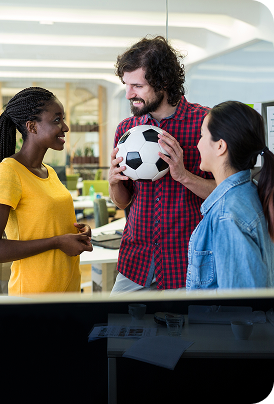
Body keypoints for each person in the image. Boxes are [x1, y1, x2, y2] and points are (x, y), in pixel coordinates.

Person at [109, 35, 216, 293]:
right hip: (136, 260)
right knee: (114, 330)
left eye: (137, 86)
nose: (128, 94)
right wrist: (114, 182)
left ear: (163, 82)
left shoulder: (205, 122)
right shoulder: (126, 130)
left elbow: (225, 193)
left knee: (187, 333)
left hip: (187, 262)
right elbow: (122, 202)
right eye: (126, 84)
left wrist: (183, 175)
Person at [0, 87, 92, 296]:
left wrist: (77, 235)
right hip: (33, 298)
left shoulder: (49, 172)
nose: (65, 127)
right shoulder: (8, 172)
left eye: (63, 119)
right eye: (56, 120)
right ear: (32, 127)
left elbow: (45, 226)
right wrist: (57, 242)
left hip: (68, 292)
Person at [186, 101, 274, 289]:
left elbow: (240, 308)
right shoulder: (254, 193)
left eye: (202, 136)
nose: (198, 144)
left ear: (220, 146)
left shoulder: (227, 215)